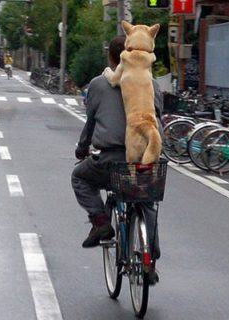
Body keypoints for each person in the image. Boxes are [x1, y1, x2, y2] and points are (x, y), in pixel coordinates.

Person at [71, 35, 163, 283]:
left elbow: (90, 123)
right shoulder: (151, 83)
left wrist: (82, 149)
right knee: (146, 202)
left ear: (113, 57)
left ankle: (101, 221)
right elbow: (159, 120)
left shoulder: (99, 84)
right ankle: (149, 258)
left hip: (110, 162)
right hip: (143, 160)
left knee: (79, 177)